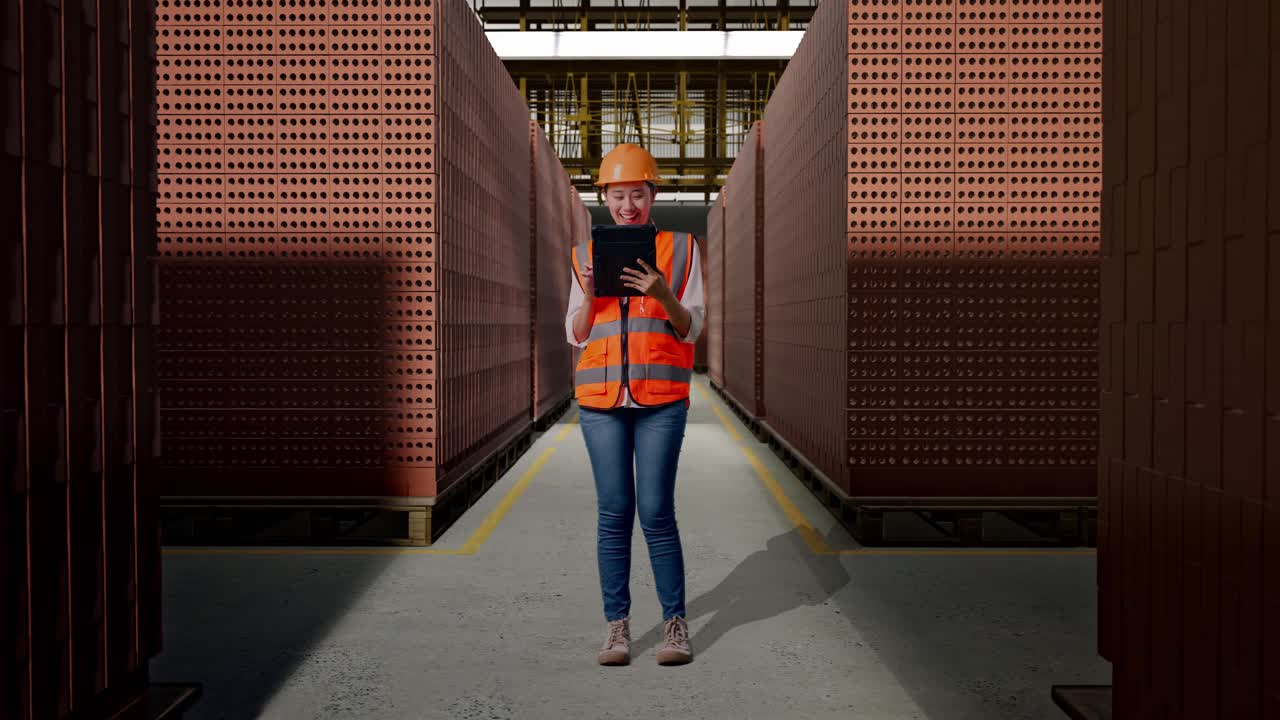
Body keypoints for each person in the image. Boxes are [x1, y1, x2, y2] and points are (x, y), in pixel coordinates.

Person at [565, 143, 706, 667]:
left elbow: (694, 327)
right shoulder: (583, 256)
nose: (628, 205)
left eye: (638, 194)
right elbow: (575, 335)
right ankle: (617, 628)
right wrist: (586, 297)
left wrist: (663, 292)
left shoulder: (684, 248)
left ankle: (674, 626)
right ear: (604, 198)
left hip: (661, 401)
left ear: (653, 194)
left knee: (655, 511)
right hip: (601, 402)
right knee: (614, 512)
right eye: (618, 195)